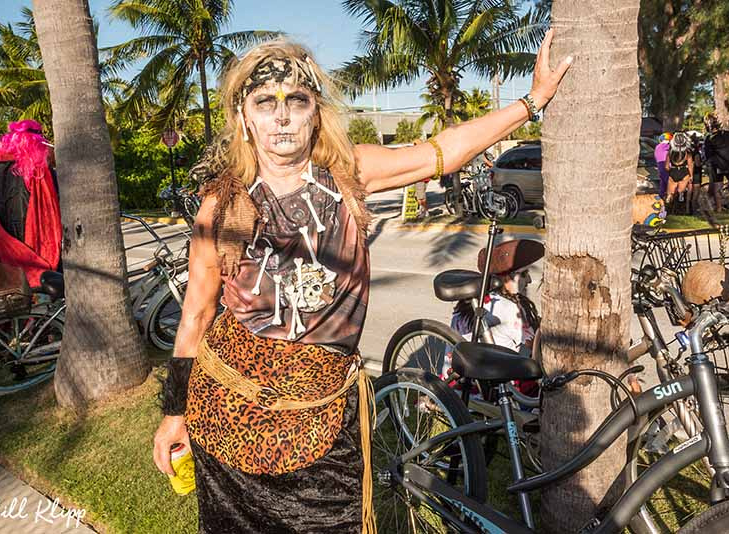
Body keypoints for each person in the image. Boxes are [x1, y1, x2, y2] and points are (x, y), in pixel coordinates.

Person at [152, 32, 570, 534]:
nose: (281, 116)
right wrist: (175, 413)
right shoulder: (221, 205)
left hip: (324, 420)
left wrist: (532, 101)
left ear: (315, 113)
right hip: (228, 419)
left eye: (296, 101)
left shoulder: (349, 174)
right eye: (265, 102)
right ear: (244, 118)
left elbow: (442, 151)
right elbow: (196, 315)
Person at [0, 120, 61, 287]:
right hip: (33, 237)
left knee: (15, 288)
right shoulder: (38, 169)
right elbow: (52, 206)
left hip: (4, 239)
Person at [704, 113, 729, 213]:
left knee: (718, 187)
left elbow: (708, 155)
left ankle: (719, 208)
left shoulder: (709, 138)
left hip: (717, 165)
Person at [664, 132, 694, 213]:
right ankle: (680, 209)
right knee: (681, 192)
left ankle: (668, 209)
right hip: (684, 172)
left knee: (670, 193)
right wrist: (691, 176)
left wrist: (670, 170)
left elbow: (666, 166)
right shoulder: (688, 153)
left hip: (673, 171)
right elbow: (690, 165)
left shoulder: (670, 152)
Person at [654, 132, 671, 198]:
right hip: (666, 164)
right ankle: (668, 195)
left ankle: (661, 194)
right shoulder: (666, 146)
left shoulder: (657, 147)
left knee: (662, 180)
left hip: (659, 164)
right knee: (667, 181)